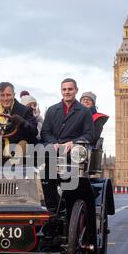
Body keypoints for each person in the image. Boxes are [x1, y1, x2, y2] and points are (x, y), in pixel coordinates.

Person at [40, 78, 94, 211]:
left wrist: (73, 142)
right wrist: (53, 142)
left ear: (76, 90)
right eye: (64, 89)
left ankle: (68, 205)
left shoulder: (84, 111)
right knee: (43, 165)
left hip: (74, 152)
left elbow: (89, 135)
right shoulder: (52, 110)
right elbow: (45, 133)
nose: (67, 92)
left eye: (70, 89)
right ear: (61, 91)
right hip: (54, 151)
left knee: (70, 173)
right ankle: (50, 205)